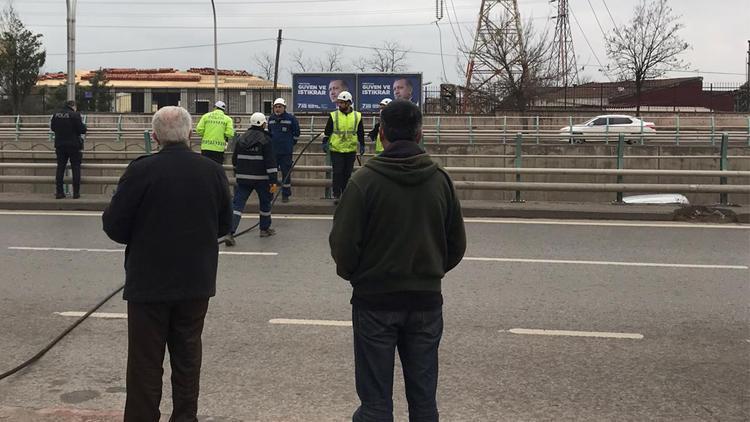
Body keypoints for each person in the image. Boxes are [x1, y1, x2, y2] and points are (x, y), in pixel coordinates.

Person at [329, 99, 466, 422]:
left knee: (375, 404)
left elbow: (343, 246)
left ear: (382, 134)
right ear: (420, 134)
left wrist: (358, 276)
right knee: (424, 402)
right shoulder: (440, 180)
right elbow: (456, 245)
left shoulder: (364, 182)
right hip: (425, 301)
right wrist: (428, 270)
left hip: (374, 301)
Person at [102, 106, 232, 422]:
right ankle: (185, 417)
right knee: (188, 358)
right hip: (195, 282)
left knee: (145, 363)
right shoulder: (212, 171)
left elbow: (114, 225)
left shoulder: (140, 170)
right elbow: (225, 224)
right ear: (191, 134)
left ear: (155, 136)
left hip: (148, 283)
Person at [225, 112, 279, 246]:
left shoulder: (241, 138)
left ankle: (230, 233)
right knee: (265, 203)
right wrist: (273, 181)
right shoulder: (266, 140)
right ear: (262, 124)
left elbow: (234, 159)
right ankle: (264, 229)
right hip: (262, 179)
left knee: (237, 205)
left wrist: (238, 173)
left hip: (243, 179)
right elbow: (271, 162)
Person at [321, 90, 364, 203]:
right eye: (338, 102)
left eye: (342, 103)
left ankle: (345, 194)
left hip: (350, 149)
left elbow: (360, 132)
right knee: (338, 172)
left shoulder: (357, 116)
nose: (339, 105)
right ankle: (336, 194)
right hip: (336, 149)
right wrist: (324, 142)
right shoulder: (334, 115)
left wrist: (362, 144)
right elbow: (327, 131)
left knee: (347, 173)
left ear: (348, 103)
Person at [50, 100, 87, 199]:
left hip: (60, 145)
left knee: (60, 168)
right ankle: (76, 193)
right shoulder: (75, 115)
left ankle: (59, 192)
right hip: (74, 145)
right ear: (73, 106)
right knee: (76, 168)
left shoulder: (56, 115)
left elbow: (52, 128)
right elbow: (82, 129)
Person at [267, 97, 300, 203]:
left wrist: (290, 143)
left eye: (280, 107)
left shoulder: (291, 118)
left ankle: (285, 195)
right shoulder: (271, 119)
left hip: (286, 152)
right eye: (276, 107)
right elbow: (269, 133)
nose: (277, 109)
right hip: (273, 152)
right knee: (272, 175)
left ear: (284, 108)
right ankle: (271, 193)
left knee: (286, 173)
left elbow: (297, 133)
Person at [195, 100, 235, 164]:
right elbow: (229, 134)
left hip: (206, 147)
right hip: (219, 149)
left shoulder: (206, 116)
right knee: (217, 169)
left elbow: (199, 130)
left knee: (205, 167)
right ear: (223, 110)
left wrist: (206, 135)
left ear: (215, 107)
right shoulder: (228, 119)